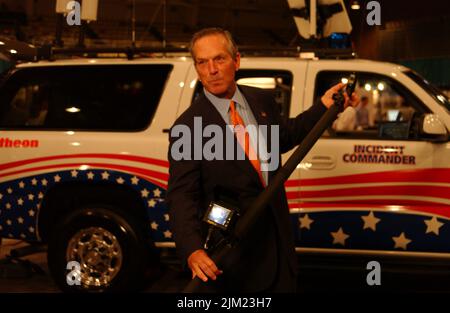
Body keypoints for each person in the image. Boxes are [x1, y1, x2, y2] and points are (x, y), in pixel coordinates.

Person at [166, 27, 358, 292]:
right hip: (234, 262)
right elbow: (181, 195)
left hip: (278, 249)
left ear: (237, 60)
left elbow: (283, 137)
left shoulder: (261, 100)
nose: (212, 69)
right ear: (196, 67)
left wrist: (324, 107)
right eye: (202, 62)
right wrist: (193, 250)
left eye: (219, 59)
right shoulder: (187, 127)